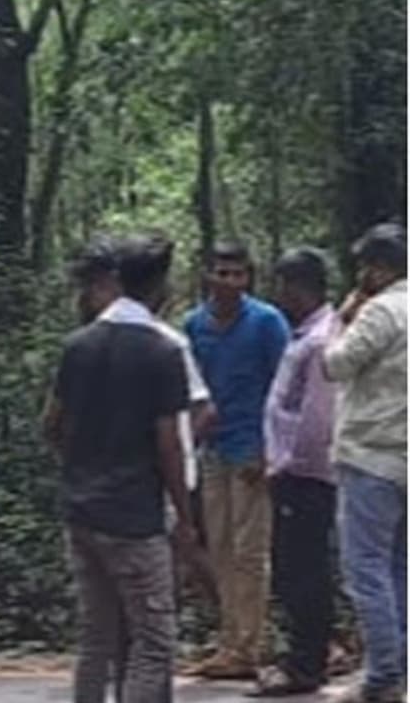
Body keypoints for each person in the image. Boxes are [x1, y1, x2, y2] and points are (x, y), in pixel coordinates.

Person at [44, 235, 199, 703]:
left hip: (82, 510)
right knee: (153, 641)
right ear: (158, 287)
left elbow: (51, 424)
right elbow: (169, 444)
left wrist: (80, 466)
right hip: (135, 515)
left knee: (97, 636)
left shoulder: (78, 345)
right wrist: (185, 516)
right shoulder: (162, 351)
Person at [184, 242, 290, 679]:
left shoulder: (266, 322)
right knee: (221, 547)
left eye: (237, 274)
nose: (229, 282)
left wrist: (270, 451)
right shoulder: (194, 324)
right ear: (208, 275)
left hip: (253, 447)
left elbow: (285, 389)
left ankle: (248, 645)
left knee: (250, 551)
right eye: (221, 273)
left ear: (248, 278)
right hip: (213, 448)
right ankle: (232, 638)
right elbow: (190, 388)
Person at [323, 223, 408, 703]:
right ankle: (399, 664)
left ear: (377, 268)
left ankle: (382, 677)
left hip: (372, 456)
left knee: (367, 570)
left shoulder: (380, 311)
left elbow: (333, 365)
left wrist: (343, 319)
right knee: (399, 567)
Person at [250, 247, 339, 697]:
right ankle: (305, 655)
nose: (280, 294)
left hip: (305, 474)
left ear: (300, 287)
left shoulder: (322, 339)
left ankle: (307, 662)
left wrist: (286, 464)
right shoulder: (305, 334)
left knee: (302, 568)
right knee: (292, 566)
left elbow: (316, 417)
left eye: (285, 284)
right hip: (293, 471)